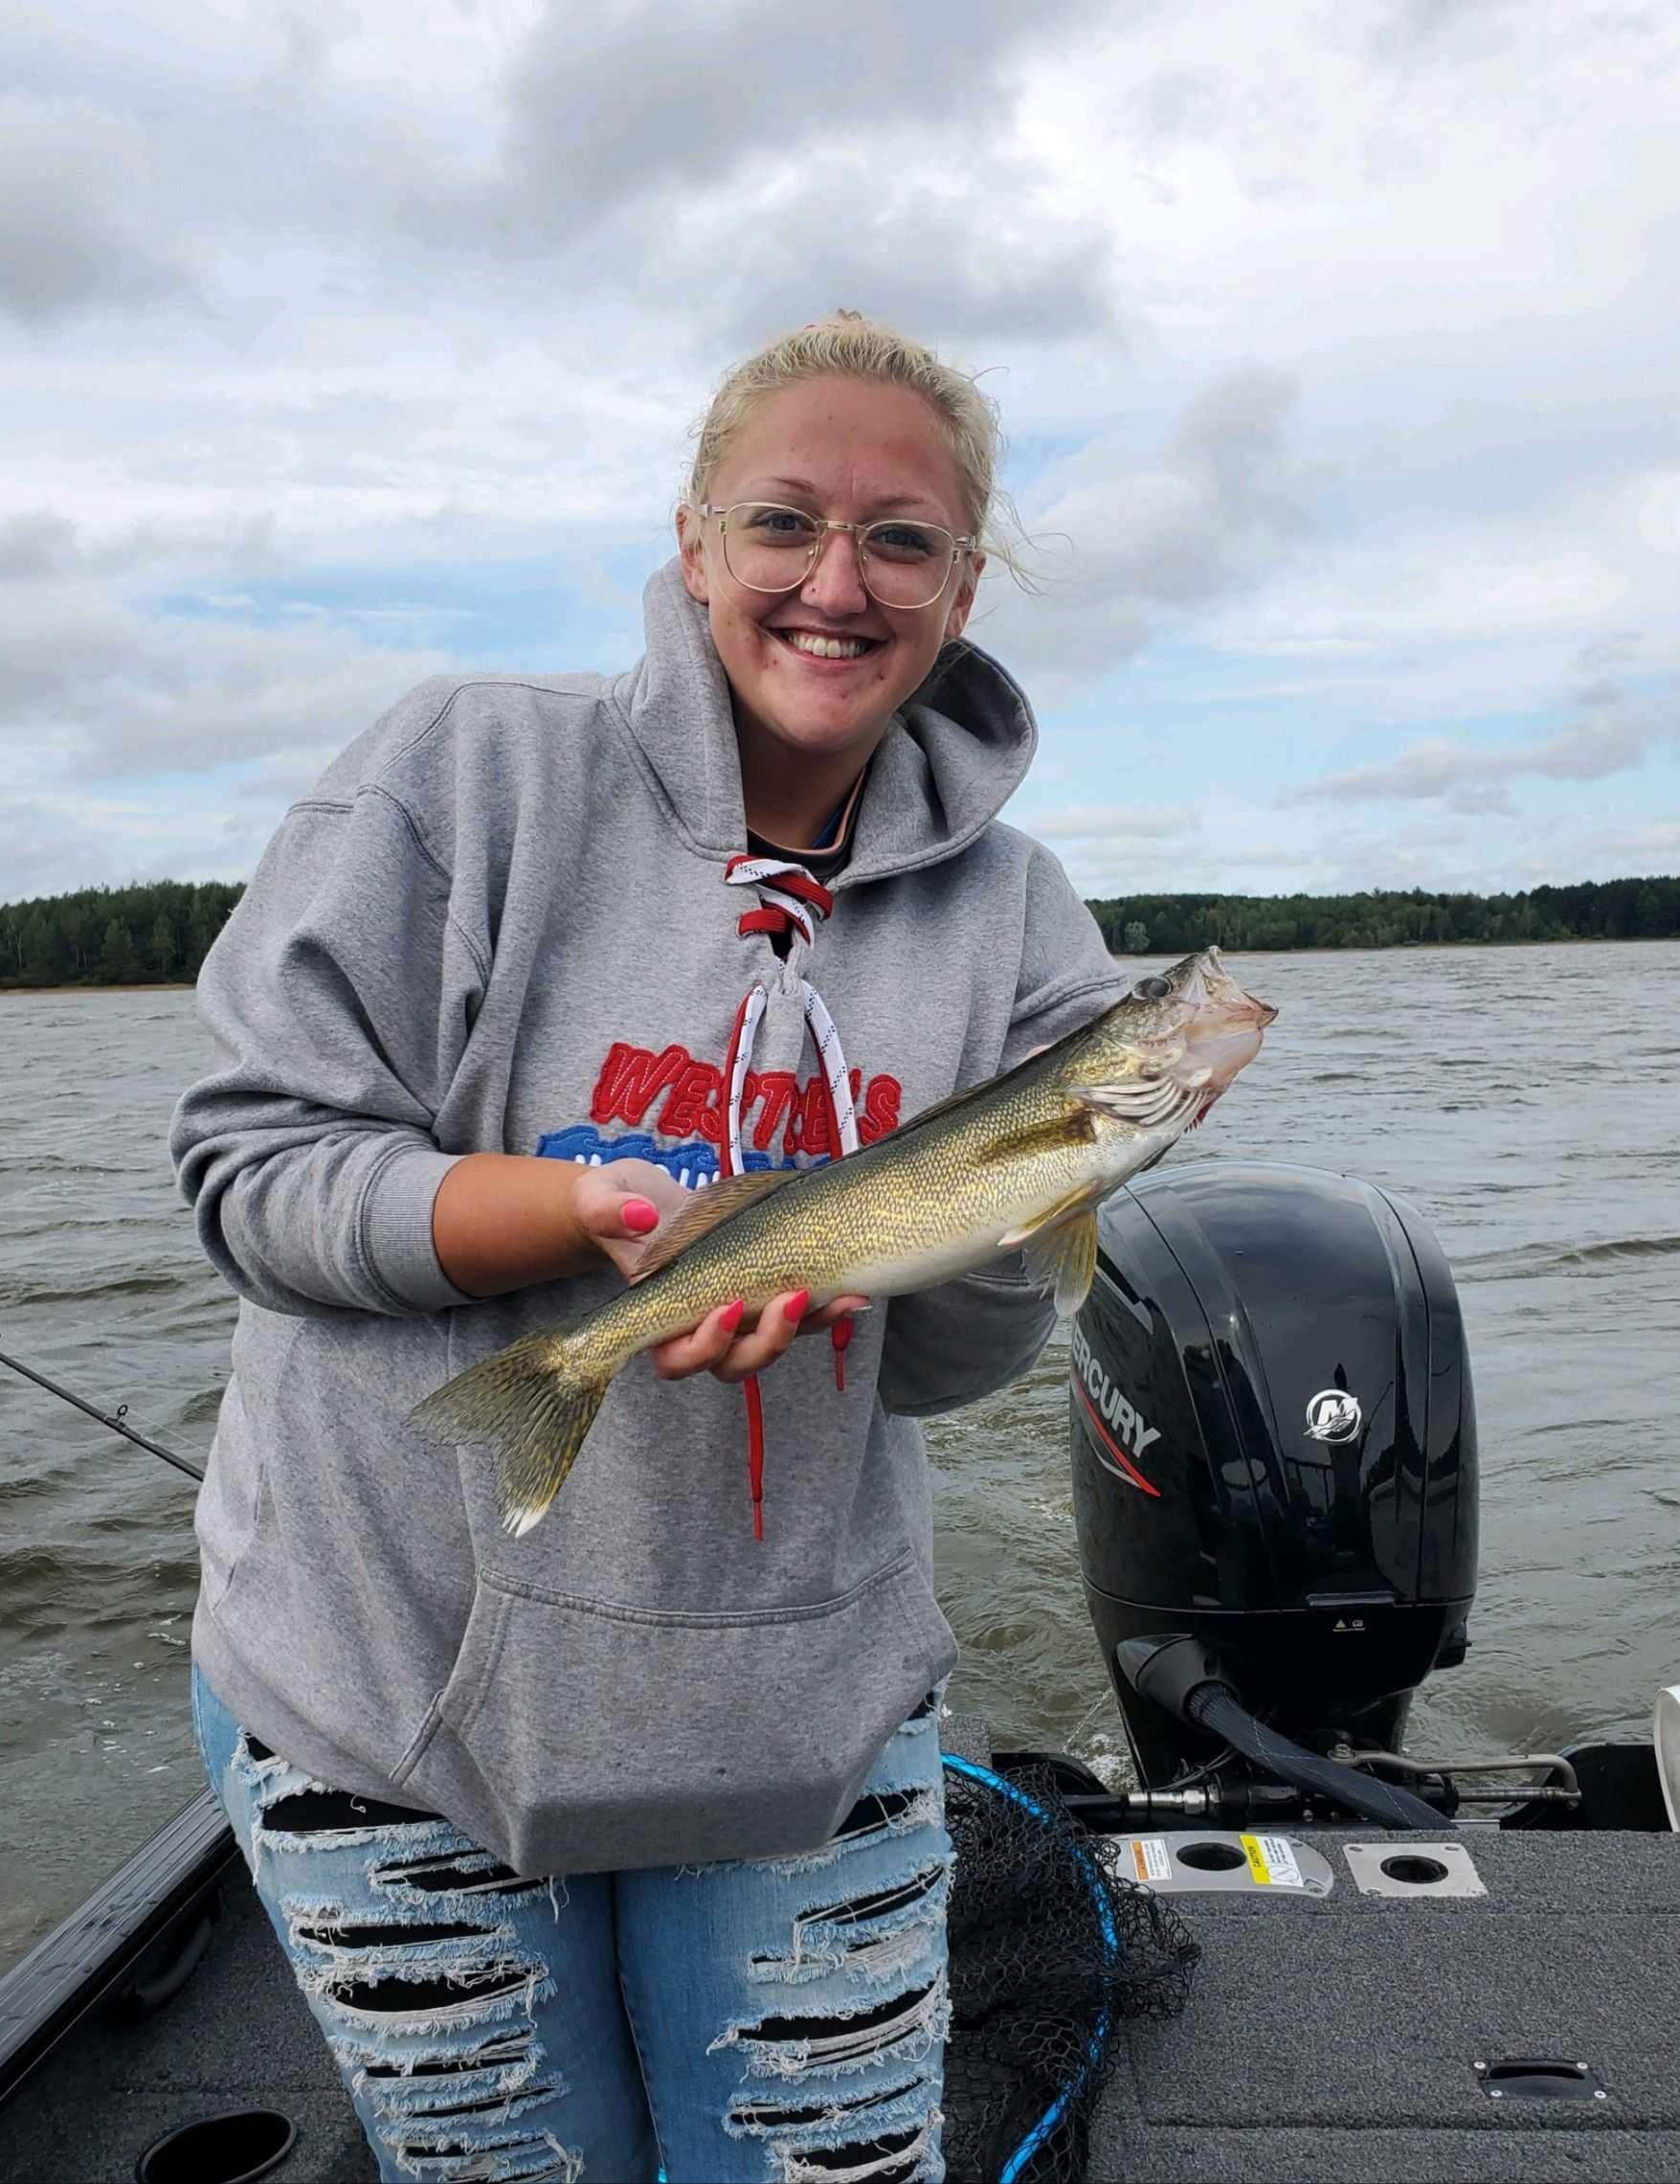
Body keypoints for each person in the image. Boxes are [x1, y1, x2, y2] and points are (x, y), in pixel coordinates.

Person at [170, 310, 1128, 2184]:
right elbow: (244, 1165)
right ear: (690, 546)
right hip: (391, 1691)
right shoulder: (460, 776)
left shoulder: (1017, 917)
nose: (834, 583)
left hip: (801, 1705)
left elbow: (937, 1368)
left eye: (900, 540)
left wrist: (1016, 1214)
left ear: (962, 580)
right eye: (781, 523)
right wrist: (583, 1209)